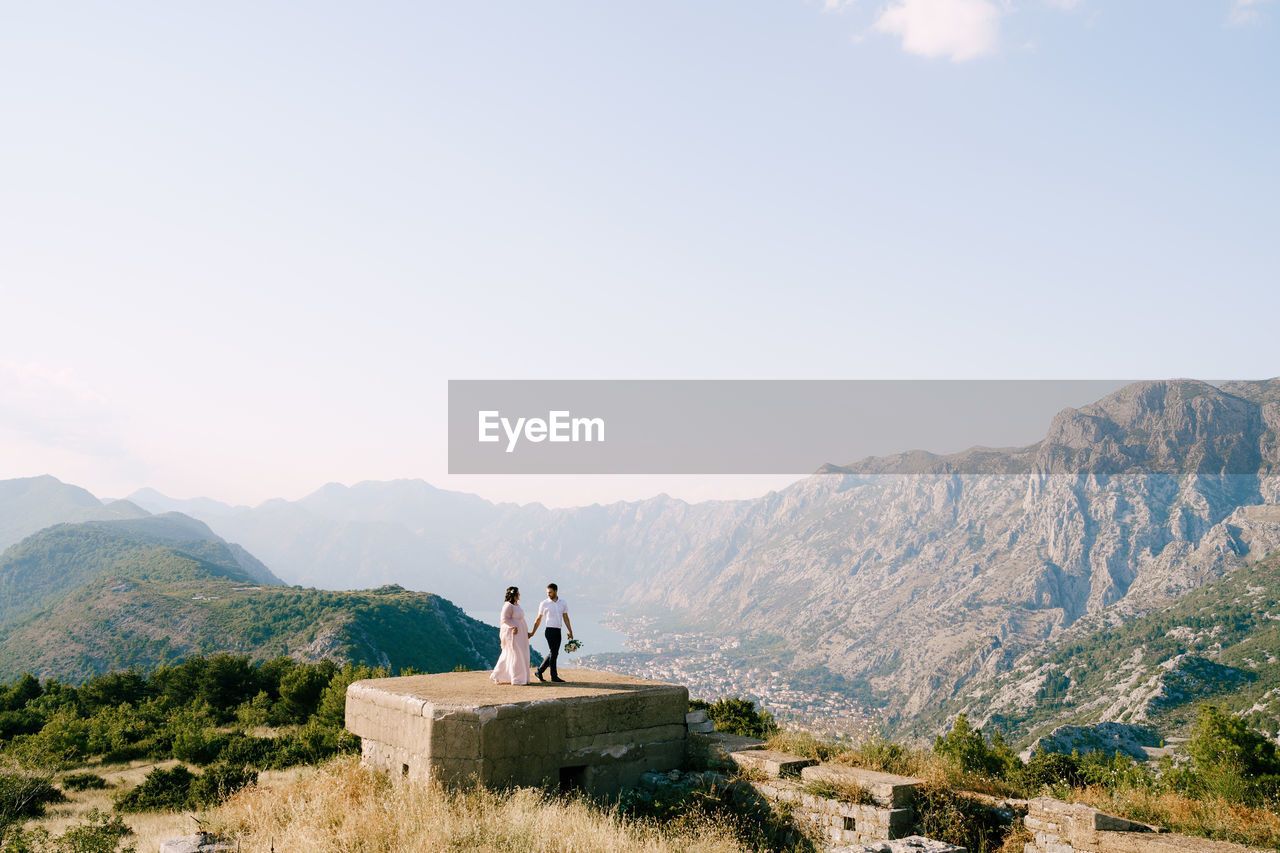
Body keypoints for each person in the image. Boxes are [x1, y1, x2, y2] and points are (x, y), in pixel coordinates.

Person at [530, 582, 573, 683]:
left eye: (550, 592)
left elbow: (566, 618)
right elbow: (538, 619)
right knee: (554, 653)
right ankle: (554, 676)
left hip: (558, 630)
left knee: (554, 653)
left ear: (556, 591)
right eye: (547, 592)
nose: (548, 594)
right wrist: (532, 632)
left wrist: (570, 631)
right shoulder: (544, 603)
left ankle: (539, 671)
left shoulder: (563, 602)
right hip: (549, 630)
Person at [490, 586, 531, 685]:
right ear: (514, 595)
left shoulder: (517, 605)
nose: (519, 595)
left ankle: (521, 677)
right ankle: (516, 678)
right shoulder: (508, 606)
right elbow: (504, 619)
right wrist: (513, 626)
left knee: (521, 653)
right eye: (518, 593)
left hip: (521, 633)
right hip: (513, 634)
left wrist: (526, 631)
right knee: (515, 654)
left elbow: (521, 619)